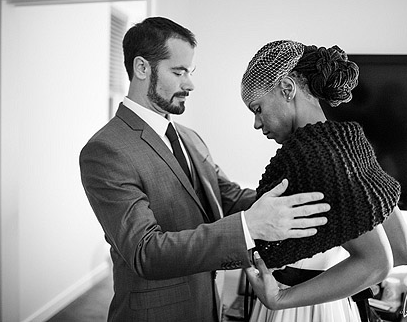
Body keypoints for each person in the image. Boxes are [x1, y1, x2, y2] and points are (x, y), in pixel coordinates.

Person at [79, 18, 331, 322]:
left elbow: (229, 196)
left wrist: (304, 195)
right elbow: (145, 252)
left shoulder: (189, 138)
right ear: (142, 68)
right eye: (178, 71)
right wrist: (248, 228)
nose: (190, 83)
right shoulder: (106, 150)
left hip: (208, 307)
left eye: (190, 72)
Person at [241, 40, 407, 322]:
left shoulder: (310, 158)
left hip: (299, 311)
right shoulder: (349, 145)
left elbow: (378, 262)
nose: (257, 124)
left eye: (257, 109)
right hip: (337, 307)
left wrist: (281, 298)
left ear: (287, 89)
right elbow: (401, 250)